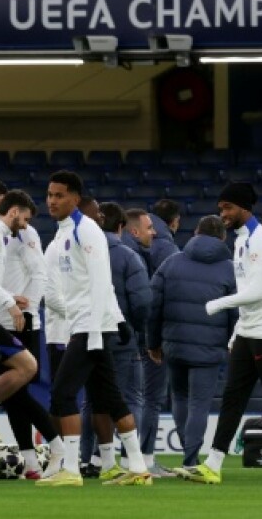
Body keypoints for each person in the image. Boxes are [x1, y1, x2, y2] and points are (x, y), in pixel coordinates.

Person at [180, 181, 262, 487]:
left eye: (227, 208)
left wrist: (217, 304)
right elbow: (248, 292)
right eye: (220, 208)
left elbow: (258, 291)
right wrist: (236, 332)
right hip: (249, 331)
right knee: (232, 398)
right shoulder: (241, 241)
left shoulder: (261, 239)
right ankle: (213, 464)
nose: (222, 213)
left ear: (243, 208)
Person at [39, 171, 152, 487]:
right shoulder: (62, 236)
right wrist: (115, 320)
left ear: (75, 198)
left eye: (59, 195)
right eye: (49, 195)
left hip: (90, 326)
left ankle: (72, 470)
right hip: (89, 323)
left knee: (62, 394)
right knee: (111, 400)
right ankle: (139, 468)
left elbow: (102, 281)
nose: (52, 201)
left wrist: (96, 330)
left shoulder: (86, 231)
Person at [0, 188, 61, 479]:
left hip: (15, 319)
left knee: (19, 392)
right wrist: (9, 300)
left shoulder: (23, 233)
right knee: (17, 394)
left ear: (1, 202)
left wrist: (24, 306)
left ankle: (40, 457)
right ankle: (38, 459)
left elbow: (39, 274)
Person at [146, 214, 235, 471]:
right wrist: (232, 342)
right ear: (222, 237)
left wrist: (153, 342)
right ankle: (190, 460)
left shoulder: (170, 263)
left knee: (181, 399)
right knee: (199, 403)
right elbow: (235, 312)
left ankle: (189, 455)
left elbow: (154, 306)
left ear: (196, 232)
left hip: (175, 346)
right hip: (209, 348)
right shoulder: (230, 269)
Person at [80, 203, 150, 478]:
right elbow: (142, 302)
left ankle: (90, 457)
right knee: (128, 398)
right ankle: (129, 458)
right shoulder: (129, 257)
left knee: (92, 400)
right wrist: (135, 330)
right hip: (121, 337)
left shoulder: (81, 251)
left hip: (87, 332)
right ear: (121, 227)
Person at [137, 203, 180, 476]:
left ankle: (96, 456)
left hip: (133, 328)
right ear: (174, 222)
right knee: (152, 397)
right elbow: (173, 289)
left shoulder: (141, 244)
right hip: (154, 332)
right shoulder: (167, 248)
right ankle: (146, 459)